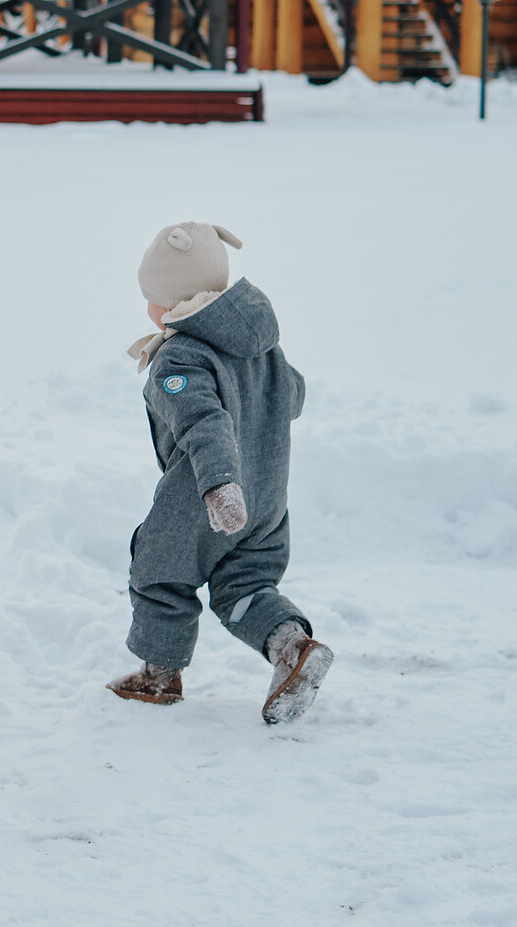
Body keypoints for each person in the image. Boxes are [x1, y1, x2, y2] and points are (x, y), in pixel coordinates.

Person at [106, 221, 333, 726]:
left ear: (166, 302)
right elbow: (293, 396)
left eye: (150, 297)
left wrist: (218, 484)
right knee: (243, 585)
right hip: (269, 497)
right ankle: (290, 647)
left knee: (159, 572)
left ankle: (158, 676)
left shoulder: (181, 355)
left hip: (207, 495)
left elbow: (202, 421)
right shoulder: (261, 345)